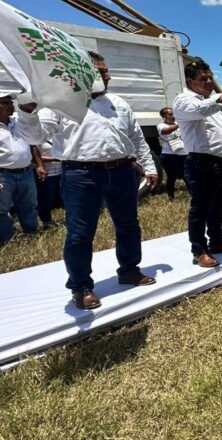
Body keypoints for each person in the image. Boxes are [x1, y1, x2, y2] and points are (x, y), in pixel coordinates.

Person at [17, 52, 159, 309]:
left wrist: (149, 167)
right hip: (81, 175)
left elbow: (137, 139)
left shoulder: (118, 102)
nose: (106, 76)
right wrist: (27, 112)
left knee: (128, 225)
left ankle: (129, 270)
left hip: (122, 171)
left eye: (106, 71)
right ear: (80, 73)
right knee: (81, 233)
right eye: (99, 72)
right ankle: (81, 287)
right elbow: (35, 135)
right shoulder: (61, 102)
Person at [173, 60, 222, 268]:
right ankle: (199, 250)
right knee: (200, 209)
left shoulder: (212, 102)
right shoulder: (184, 100)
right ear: (190, 81)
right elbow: (202, 110)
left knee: (217, 207)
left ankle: (216, 241)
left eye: (210, 77)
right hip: (202, 165)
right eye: (202, 79)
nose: (208, 82)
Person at [0, 93, 39, 246]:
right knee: (2, 210)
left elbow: (32, 143)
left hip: (26, 172)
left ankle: (32, 236)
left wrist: (39, 165)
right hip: (3, 175)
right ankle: (6, 241)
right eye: (5, 102)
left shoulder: (17, 123)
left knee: (29, 206)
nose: (11, 105)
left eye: (10, 102)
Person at [157, 107, 187, 200]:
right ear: (164, 116)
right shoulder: (161, 125)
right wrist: (179, 124)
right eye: (170, 114)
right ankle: (171, 197)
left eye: (173, 114)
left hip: (183, 154)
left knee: (187, 175)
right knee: (171, 176)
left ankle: (193, 195)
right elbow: (166, 131)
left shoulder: (178, 124)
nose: (173, 116)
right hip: (168, 155)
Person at [31, 141, 61, 228]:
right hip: (46, 173)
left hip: (60, 171)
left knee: (55, 198)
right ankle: (46, 221)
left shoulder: (56, 135)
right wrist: (56, 159)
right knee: (45, 199)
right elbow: (32, 157)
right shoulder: (36, 138)